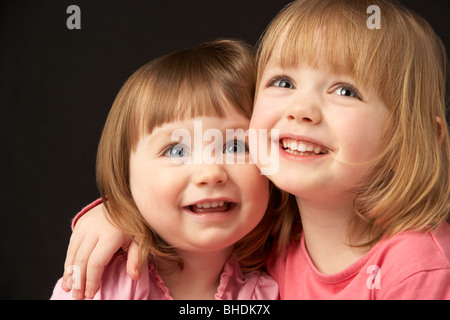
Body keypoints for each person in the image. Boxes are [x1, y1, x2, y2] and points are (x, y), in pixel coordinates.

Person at [59, 0, 450, 299]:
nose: (300, 110)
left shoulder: (417, 269)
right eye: (282, 81)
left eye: (345, 91)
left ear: (414, 137)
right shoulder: (271, 235)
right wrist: (117, 213)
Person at [51, 39, 287, 300]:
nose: (210, 173)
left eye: (234, 146)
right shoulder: (98, 284)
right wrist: (115, 210)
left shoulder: (266, 292)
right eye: (177, 151)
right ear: (125, 177)